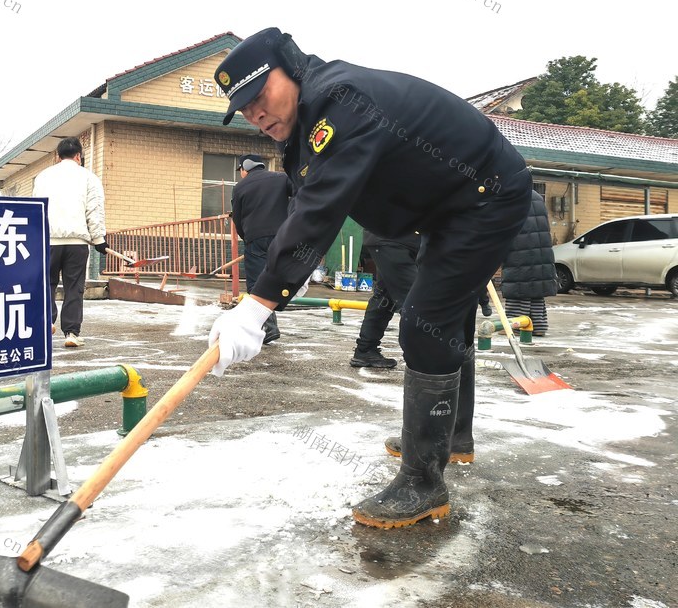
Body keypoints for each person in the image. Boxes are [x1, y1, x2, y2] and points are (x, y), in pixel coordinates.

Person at [206, 27, 532, 529]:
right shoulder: (304, 126)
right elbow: (303, 208)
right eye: (244, 109)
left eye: (259, 96)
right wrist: (269, 289)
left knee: (424, 320)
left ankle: (424, 482)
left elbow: (318, 214)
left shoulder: (339, 101)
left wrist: (257, 306)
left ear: (289, 70)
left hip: (487, 196)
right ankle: (452, 437)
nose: (256, 114)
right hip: (446, 209)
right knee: (446, 317)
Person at [32, 137, 107, 348]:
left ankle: (46, 323)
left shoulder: (43, 177)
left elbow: (37, 207)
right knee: (74, 287)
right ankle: (71, 333)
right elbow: (94, 210)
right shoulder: (89, 178)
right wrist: (99, 238)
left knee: (47, 284)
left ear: (57, 156)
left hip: (48, 241)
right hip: (76, 242)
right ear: (79, 157)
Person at [230, 154, 293, 344]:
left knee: (257, 284)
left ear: (245, 168)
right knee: (278, 276)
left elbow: (238, 220)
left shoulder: (240, 187)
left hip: (255, 239)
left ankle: (269, 326)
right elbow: (300, 195)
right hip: (282, 236)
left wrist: (247, 238)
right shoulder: (282, 178)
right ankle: (272, 315)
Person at [351, 230, 421, 369]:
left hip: (393, 240)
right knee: (415, 301)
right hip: (393, 241)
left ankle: (365, 350)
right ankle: (421, 358)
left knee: (384, 297)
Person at [499, 190, 557, 336]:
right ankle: (538, 326)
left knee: (519, 290)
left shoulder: (510, 194)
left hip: (518, 250)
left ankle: (516, 326)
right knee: (536, 291)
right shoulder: (537, 196)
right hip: (541, 251)